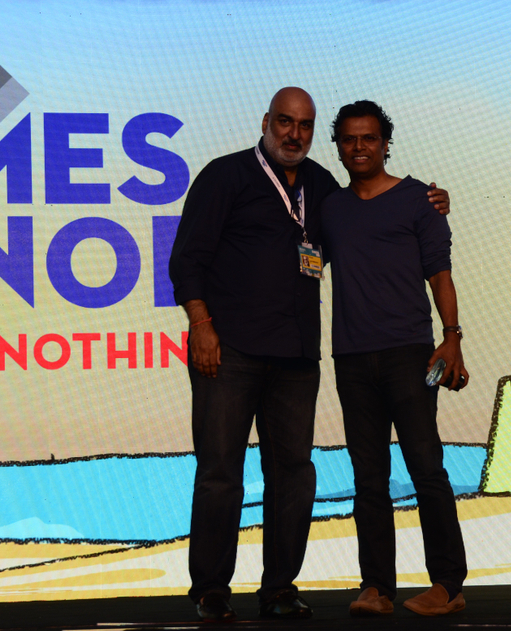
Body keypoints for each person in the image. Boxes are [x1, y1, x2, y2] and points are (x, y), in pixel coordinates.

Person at [168, 88, 449, 622]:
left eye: (304, 125)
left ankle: (279, 589)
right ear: (266, 122)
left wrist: (429, 203)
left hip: (296, 357)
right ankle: (210, 590)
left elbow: (368, 214)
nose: (293, 134)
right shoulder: (224, 176)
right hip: (228, 351)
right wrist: (201, 326)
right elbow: (187, 260)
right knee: (221, 471)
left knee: (294, 473)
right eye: (284, 122)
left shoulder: (322, 186)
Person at [322, 100, 469, 618]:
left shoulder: (419, 200)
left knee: (426, 468)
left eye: (369, 138)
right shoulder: (330, 208)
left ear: (386, 144)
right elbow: (303, 260)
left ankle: (448, 585)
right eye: (349, 139)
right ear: (338, 146)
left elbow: (440, 274)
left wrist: (451, 338)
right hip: (351, 358)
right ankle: (376, 587)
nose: (359, 147)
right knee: (368, 478)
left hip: (410, 354)